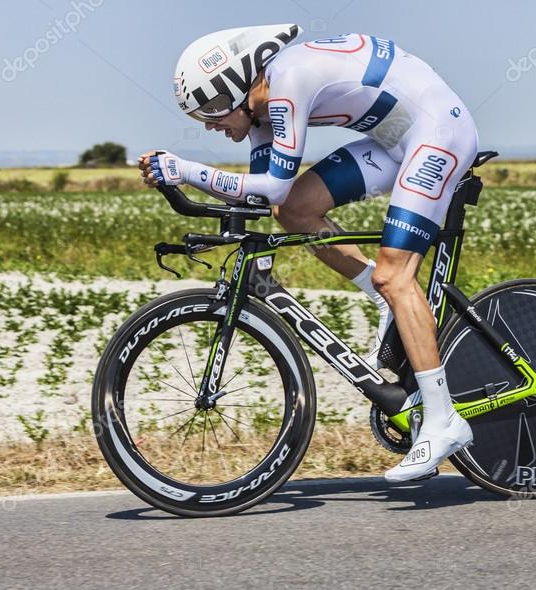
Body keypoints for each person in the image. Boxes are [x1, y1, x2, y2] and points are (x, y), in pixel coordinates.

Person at [138, 24, 478, 482]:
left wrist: (186, 169)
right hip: (395, 140)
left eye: (210, 115)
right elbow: (267, 199)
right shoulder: (258, 113)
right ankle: (384, 302)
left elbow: (272, 181)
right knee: (295, 211)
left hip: (438, 133)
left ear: (231, 91)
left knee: (395, 276)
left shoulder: (289, 81)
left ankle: (442, 420)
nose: (210, 127)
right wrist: (184, 190)